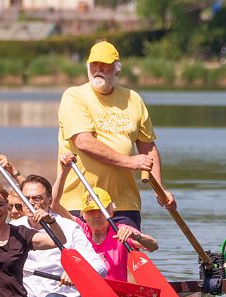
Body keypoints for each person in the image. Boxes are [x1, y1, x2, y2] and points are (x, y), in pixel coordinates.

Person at [57, 40, 176, 230]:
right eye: (94, 64)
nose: (98, 69)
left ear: (116, 69)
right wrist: (129, 162)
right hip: (81, 203)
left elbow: (148, 148)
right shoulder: (74, 96)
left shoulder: (133, 99)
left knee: (127, 249)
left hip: (124, 204)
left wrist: (160, 189)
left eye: (104, 65)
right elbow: (84, 142)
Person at [0, 133, 60, 297]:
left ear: (7, 208)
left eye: (0, 204)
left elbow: (58, 240)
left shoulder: (21, 233)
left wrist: (51, 221)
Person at [52, 153, 158, 282]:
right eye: (91, 211)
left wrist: (136, 236)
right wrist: (64, 171)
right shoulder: (79, 229)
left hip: (118, 291)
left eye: (101, 211)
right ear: (83, 214)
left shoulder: (121, 231)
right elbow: (54, 205)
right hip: (88, 289)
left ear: (111, 212)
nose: (96, 215)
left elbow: (153, 246)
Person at [8, 171, 106, 297]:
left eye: (37, 198)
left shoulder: (70, 227)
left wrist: (77, 272)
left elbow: (100, 267)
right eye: (26, 198)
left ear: (50, 200)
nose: (30, 203)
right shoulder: (12, 227)